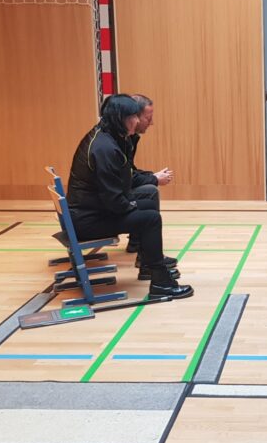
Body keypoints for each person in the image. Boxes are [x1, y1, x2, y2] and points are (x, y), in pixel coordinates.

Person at [66, 94, 192, 299]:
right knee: (151, 219)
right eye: (134, 116)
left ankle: (150, 265)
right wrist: (133, 205)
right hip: (88, 220)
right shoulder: (105, 148)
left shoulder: (106, 138)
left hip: (89, 211)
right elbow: (114, 200)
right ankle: (160, 282)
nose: (137, 120)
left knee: (147, 206)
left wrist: (134, 202)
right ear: (121, 118)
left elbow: (119, 187)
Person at [125, 94, 175, 254]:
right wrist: (154, 178)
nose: (151, 123)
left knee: (149, 188)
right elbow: (126, 177)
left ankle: (137, 242)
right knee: (150, 191)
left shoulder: (130, 138)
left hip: (109, 195)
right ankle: (147, 250)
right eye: (148, 118)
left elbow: (129, 170)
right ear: (134, 117)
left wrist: (152, 176)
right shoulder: (117, 141)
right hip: (103, 203)